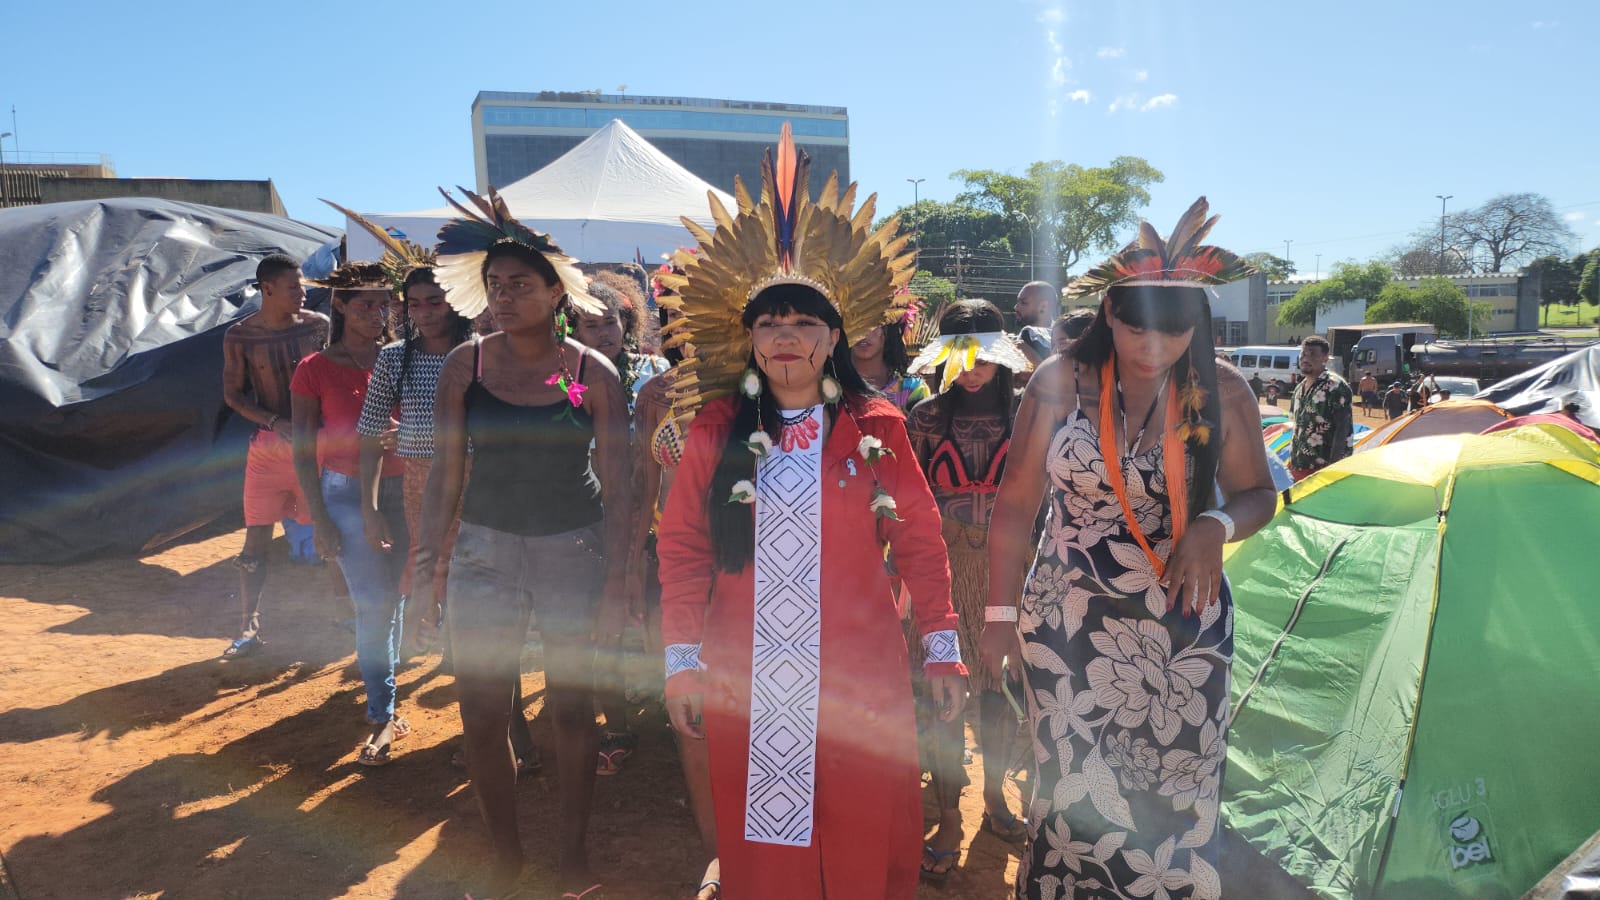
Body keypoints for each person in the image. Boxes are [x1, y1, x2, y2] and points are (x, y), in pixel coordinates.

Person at [655, 126, 967, 900]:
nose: (784, 337)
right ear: (749, 340)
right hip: (745, 669)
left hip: (861, 671)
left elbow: (921, 541)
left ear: (835, 337)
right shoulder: (715, 430)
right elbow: (684, 548)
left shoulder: (879, 429)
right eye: (768, 324)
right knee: (768, 843)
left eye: (802, 324)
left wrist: (942, 647)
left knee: (864, 823)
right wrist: (680, 660)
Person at [982, 198, 1277, 899]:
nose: (1151, 351)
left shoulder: (1222, 390)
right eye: (1136, 330)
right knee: (1069, 785)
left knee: (1176, 790)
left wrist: (1216, 527)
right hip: (1067, 623)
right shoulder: (1058, 382)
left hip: (1181, 625)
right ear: (1108, 315)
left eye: (1172, 336)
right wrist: (997, 615)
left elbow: (1258, 494)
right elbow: (1017, 504)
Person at [413, 189, 632, 898]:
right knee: (480, 710)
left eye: (520, 286)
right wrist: (427, 569)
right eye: (495, 286)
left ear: (554, 292)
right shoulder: (464, 368)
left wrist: (621, 585)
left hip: (574, 549)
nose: (504, 298)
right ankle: (505, 860)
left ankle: (572, 861)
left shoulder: (593, 374)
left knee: (571, 707)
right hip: (483, 550)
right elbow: (446, 475)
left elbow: (624, 488)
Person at [904, 299, 1033, 880]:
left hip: (1010, 570)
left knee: (1000, 696)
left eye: (985, 357)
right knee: (946, 697)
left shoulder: (1028, 415)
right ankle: (949, 814)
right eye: (963, 357)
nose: (974, 368)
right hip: (947, 569)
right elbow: (909, 501)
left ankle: (997, 800)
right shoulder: (925, 418)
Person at [288, 263, 410, 765]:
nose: (377, 314)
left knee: (396, 594)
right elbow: (301, 449)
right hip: (345, 493)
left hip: (410, 488)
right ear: (338, 305)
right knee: (375, 603)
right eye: (365, 304)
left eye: (384, 304)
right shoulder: (314, 368)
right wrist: (317, 518)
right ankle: (382, 712)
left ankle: (387, 693)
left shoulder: (401, 359)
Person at [628, 262, 722, 898]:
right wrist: (632, 564)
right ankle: (720, 858)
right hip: (678, 566)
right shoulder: (655, 394)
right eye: (675, 313)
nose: (684, 325)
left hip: (759, 573)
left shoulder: (764, 388)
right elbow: (644, 486)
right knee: (691, 705)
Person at [572, 278, 670, 776]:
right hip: (596, 508)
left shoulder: (657, 372)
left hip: (657, 509)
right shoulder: (567, 377)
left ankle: (668, 706)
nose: (603, 331)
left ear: (626, 322)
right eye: (591, 324)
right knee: (604, 614)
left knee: (659, 613)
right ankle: (615, 722)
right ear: (574, 329)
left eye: (610, 321)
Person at [220, 253, 329, 659]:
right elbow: (232, 394)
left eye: (302, 285)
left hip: (317, 447)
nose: (303, 293)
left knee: (329, 531)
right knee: (256, 539)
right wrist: (272, 421)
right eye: (294, 287)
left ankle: (341, 619)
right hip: (268, 451)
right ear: (267, 289)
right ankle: (248, 627)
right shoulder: (240, 336)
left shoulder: (319, 327)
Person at [1289, 335, 1354, 481]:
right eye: (1303, 354)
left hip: (1322, 470)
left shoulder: (1335, 386)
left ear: (1325, 358)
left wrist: (1331, 471)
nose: (1305, 359)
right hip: (1298, 467)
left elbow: (1342, 430)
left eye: (1312, 354)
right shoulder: (1299, 388)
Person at [850, 303, 930, 413]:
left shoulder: (912, 389)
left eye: (872, 324)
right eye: (855, 323)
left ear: (888, 330)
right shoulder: (829, 387)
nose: (863, 333)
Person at [1015, 280, 1059, 366]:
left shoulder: (1027, 334)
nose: (1016, 307)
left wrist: (1034, 359)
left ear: (1043, 306)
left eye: (1024, 303)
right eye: (1018, 302)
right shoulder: (1061, 333)